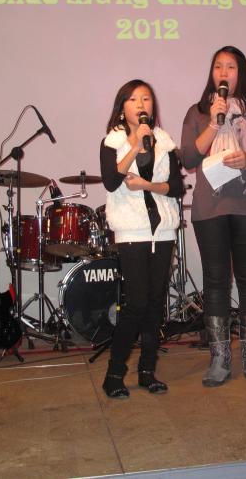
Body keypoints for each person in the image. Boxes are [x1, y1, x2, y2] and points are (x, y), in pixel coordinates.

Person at [180, 46, 246, 386]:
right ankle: (219, 359)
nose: (223, 72)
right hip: (210, 208)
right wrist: (213, 122)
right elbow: (188, 158)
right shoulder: (198, 112)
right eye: (218, 66)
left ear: (242, 73)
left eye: (231, 67)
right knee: (216, 282)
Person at [99, 79, 184, 398]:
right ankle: (114, 374)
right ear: (123, 107)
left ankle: (147, 372)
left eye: (146, 99)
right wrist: (135, 144)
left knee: (155, 305)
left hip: (162, 230)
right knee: (135, 304)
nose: (141, 104)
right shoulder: (113, 141)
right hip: (131, 230)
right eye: (134, 99)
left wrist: (147, 186)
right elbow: (111, 181)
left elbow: (176, 187)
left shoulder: (164, 140)